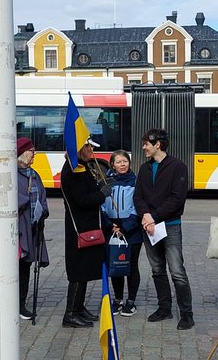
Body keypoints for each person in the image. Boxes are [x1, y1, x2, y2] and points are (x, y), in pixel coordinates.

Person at [133, 129, 195, 330]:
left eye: (146, 144)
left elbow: (177, 199)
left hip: (169, 226)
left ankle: (186, 314)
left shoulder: (178, 167)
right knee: (157, 270)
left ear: (157, 144)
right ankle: (164, 308)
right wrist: (145, 216)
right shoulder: (144, 168)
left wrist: (153, 216)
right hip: (148, 227)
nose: (143, 147)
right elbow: (138, 197)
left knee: (177, 271)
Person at [60, 136, 110, 328]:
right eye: (88, 147)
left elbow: (87, 191)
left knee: (85, 269)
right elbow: (81, 200)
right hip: (78, 227)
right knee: (78, 271)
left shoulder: (82, 167)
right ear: (80, 149)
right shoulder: (73, 170)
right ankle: (71, 313)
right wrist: (102, 195)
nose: (92, 151)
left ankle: (79, 308)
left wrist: (101, 186)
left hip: (86, 224)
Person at [102, 149, 142, 316]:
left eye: (125, 161)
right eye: (118, 162)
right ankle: (117, 299)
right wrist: (110, 225)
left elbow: (138, 206)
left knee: (131, 265)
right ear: (112, 164)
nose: (122, 164)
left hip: (131, 228)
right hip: (111, 228)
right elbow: (101, 205)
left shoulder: (136, 182)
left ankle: (131, 301)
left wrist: (125, 227)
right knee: (115, 263)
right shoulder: (106, 182)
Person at [16, 137, 49, 321]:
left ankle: (22, 302)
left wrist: (43, 210)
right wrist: (26, 200)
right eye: (31, 151)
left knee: (26, 266)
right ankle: (14, 304)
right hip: (19, 228)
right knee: (18, 265)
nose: (34, 154)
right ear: (23, 153)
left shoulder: (34, 173)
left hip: (34, 227)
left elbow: (42, 195)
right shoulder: (12, 173)